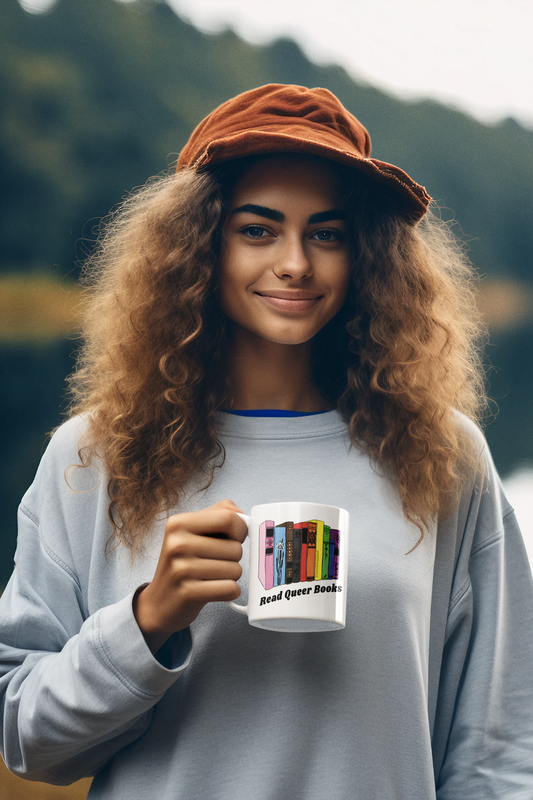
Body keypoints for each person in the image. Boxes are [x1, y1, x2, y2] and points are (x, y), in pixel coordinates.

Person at [1, 84, 532, 799]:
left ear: (366, 253)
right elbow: (27, 742)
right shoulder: (92, 457)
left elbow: (497, 750)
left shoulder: (440, 454)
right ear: (198, 246)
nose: (295, 263)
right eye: (258, 230)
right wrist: (148, 620)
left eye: (326, 233)